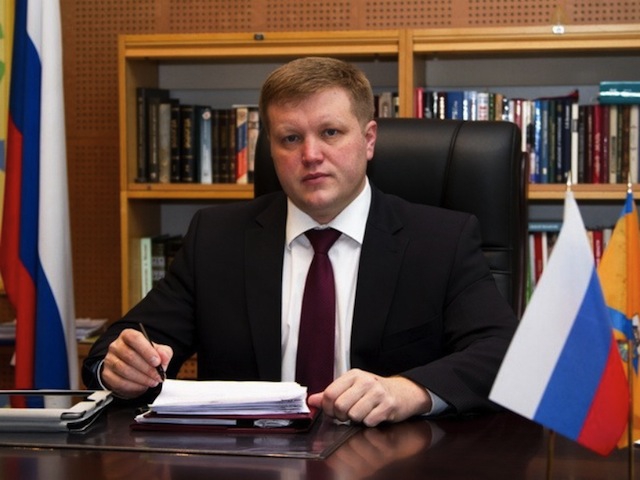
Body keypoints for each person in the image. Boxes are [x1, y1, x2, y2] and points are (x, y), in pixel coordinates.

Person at [83, 57, 517, 426]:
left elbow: (502, 352)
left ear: (368, 140)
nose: (310, 155)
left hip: (389, 460)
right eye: (291, 138)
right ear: (272, 149)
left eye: (330, 133)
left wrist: (408, 390)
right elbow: (120, 343)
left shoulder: (441, 240)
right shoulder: (216, 238)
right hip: (251, 461)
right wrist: (121, 366)